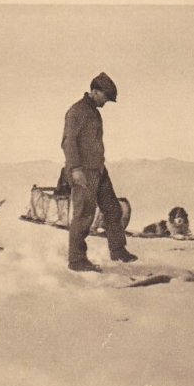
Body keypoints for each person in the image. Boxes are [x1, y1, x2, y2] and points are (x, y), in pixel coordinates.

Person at [61, 72, 138, 272]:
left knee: (113, 210)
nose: (106, 102)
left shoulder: (93, 111)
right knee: (84, 215)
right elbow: (68, 143)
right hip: (83, 172)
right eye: (105, 97)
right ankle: (77, 260)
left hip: (98, 170)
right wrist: (76, 169)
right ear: (94, 91)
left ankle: (118, 250)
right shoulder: (77, 111)